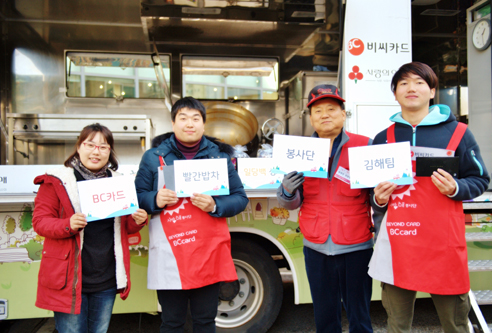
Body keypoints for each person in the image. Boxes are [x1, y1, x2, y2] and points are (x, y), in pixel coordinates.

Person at [369, 62, 490, 333]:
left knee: (455, 324)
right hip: (398, 244)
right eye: (403, 83)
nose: (411, 88)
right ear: (395, 93)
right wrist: (378, 198)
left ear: (432, 91)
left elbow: (481, 179)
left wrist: (455, 188)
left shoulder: (458, 132)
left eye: (420, 82)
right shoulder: (382, 138)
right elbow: (370, 190)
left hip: (442, 244)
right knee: (397, 325)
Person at [135, 96, 249, 333]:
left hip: (207, 253)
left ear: (203, 125)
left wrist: (215, 205)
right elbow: (136, 197)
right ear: (173, 123)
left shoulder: (218, 158)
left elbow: (240, 198)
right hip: (170, 253)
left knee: (205, 321)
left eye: (196, 118)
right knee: (172, 322)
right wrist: (155, 200)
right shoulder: (153, 157)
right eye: (183, 118)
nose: (190, 123)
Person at [32, 123, 148, 333]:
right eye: (90, 144)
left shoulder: (119, 183)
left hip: (106, 278)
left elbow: (124, 227)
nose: (96, 151)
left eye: (104, 147)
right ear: (79, 146)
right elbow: (40, 222)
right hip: (69, 278)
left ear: (110, 152)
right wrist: (68, 225)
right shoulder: (57, 180)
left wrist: (137, 220)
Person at [276, 84, 374, 333]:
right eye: (318, 111)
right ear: (311, 118)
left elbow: (377, 198)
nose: (325, 115)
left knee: (359, 314)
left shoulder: (365, 146)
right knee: (324, 316)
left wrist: (382, 196)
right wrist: (287, 191)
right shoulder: (298, 152)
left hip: (356, 244)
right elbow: (292, 202)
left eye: (331, 109)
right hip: (316, 245)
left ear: (343, 114)